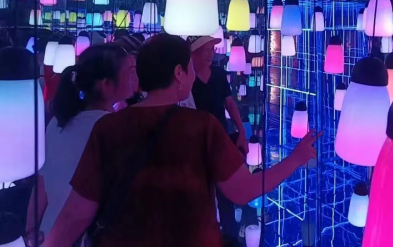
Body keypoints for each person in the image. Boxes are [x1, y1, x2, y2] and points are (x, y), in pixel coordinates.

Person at [44, 34, 320, 247]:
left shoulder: (107, 127)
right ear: (179, 73)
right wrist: (295, 159)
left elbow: (76, 214)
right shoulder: (201, 127)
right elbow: (243, 191)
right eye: (189, 67)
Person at [25, 44, 136, 246]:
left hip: (50, 232)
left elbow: (41, 185)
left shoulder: (57, 123)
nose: (134, 76)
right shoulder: (115, 127)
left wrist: (30, 232)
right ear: (105, 84)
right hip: (87, 237)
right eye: (129, 71)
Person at [188, 35, 249, 245]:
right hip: (196, 144)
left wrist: (242, 132)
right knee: (201, 192)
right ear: (193, 54)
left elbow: (230, 104)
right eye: (206, 50)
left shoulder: (218, 75)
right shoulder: (187, 80)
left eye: (211, 50)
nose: (210, 54)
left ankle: (230, 238)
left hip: (221, 140)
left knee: (226, 195)